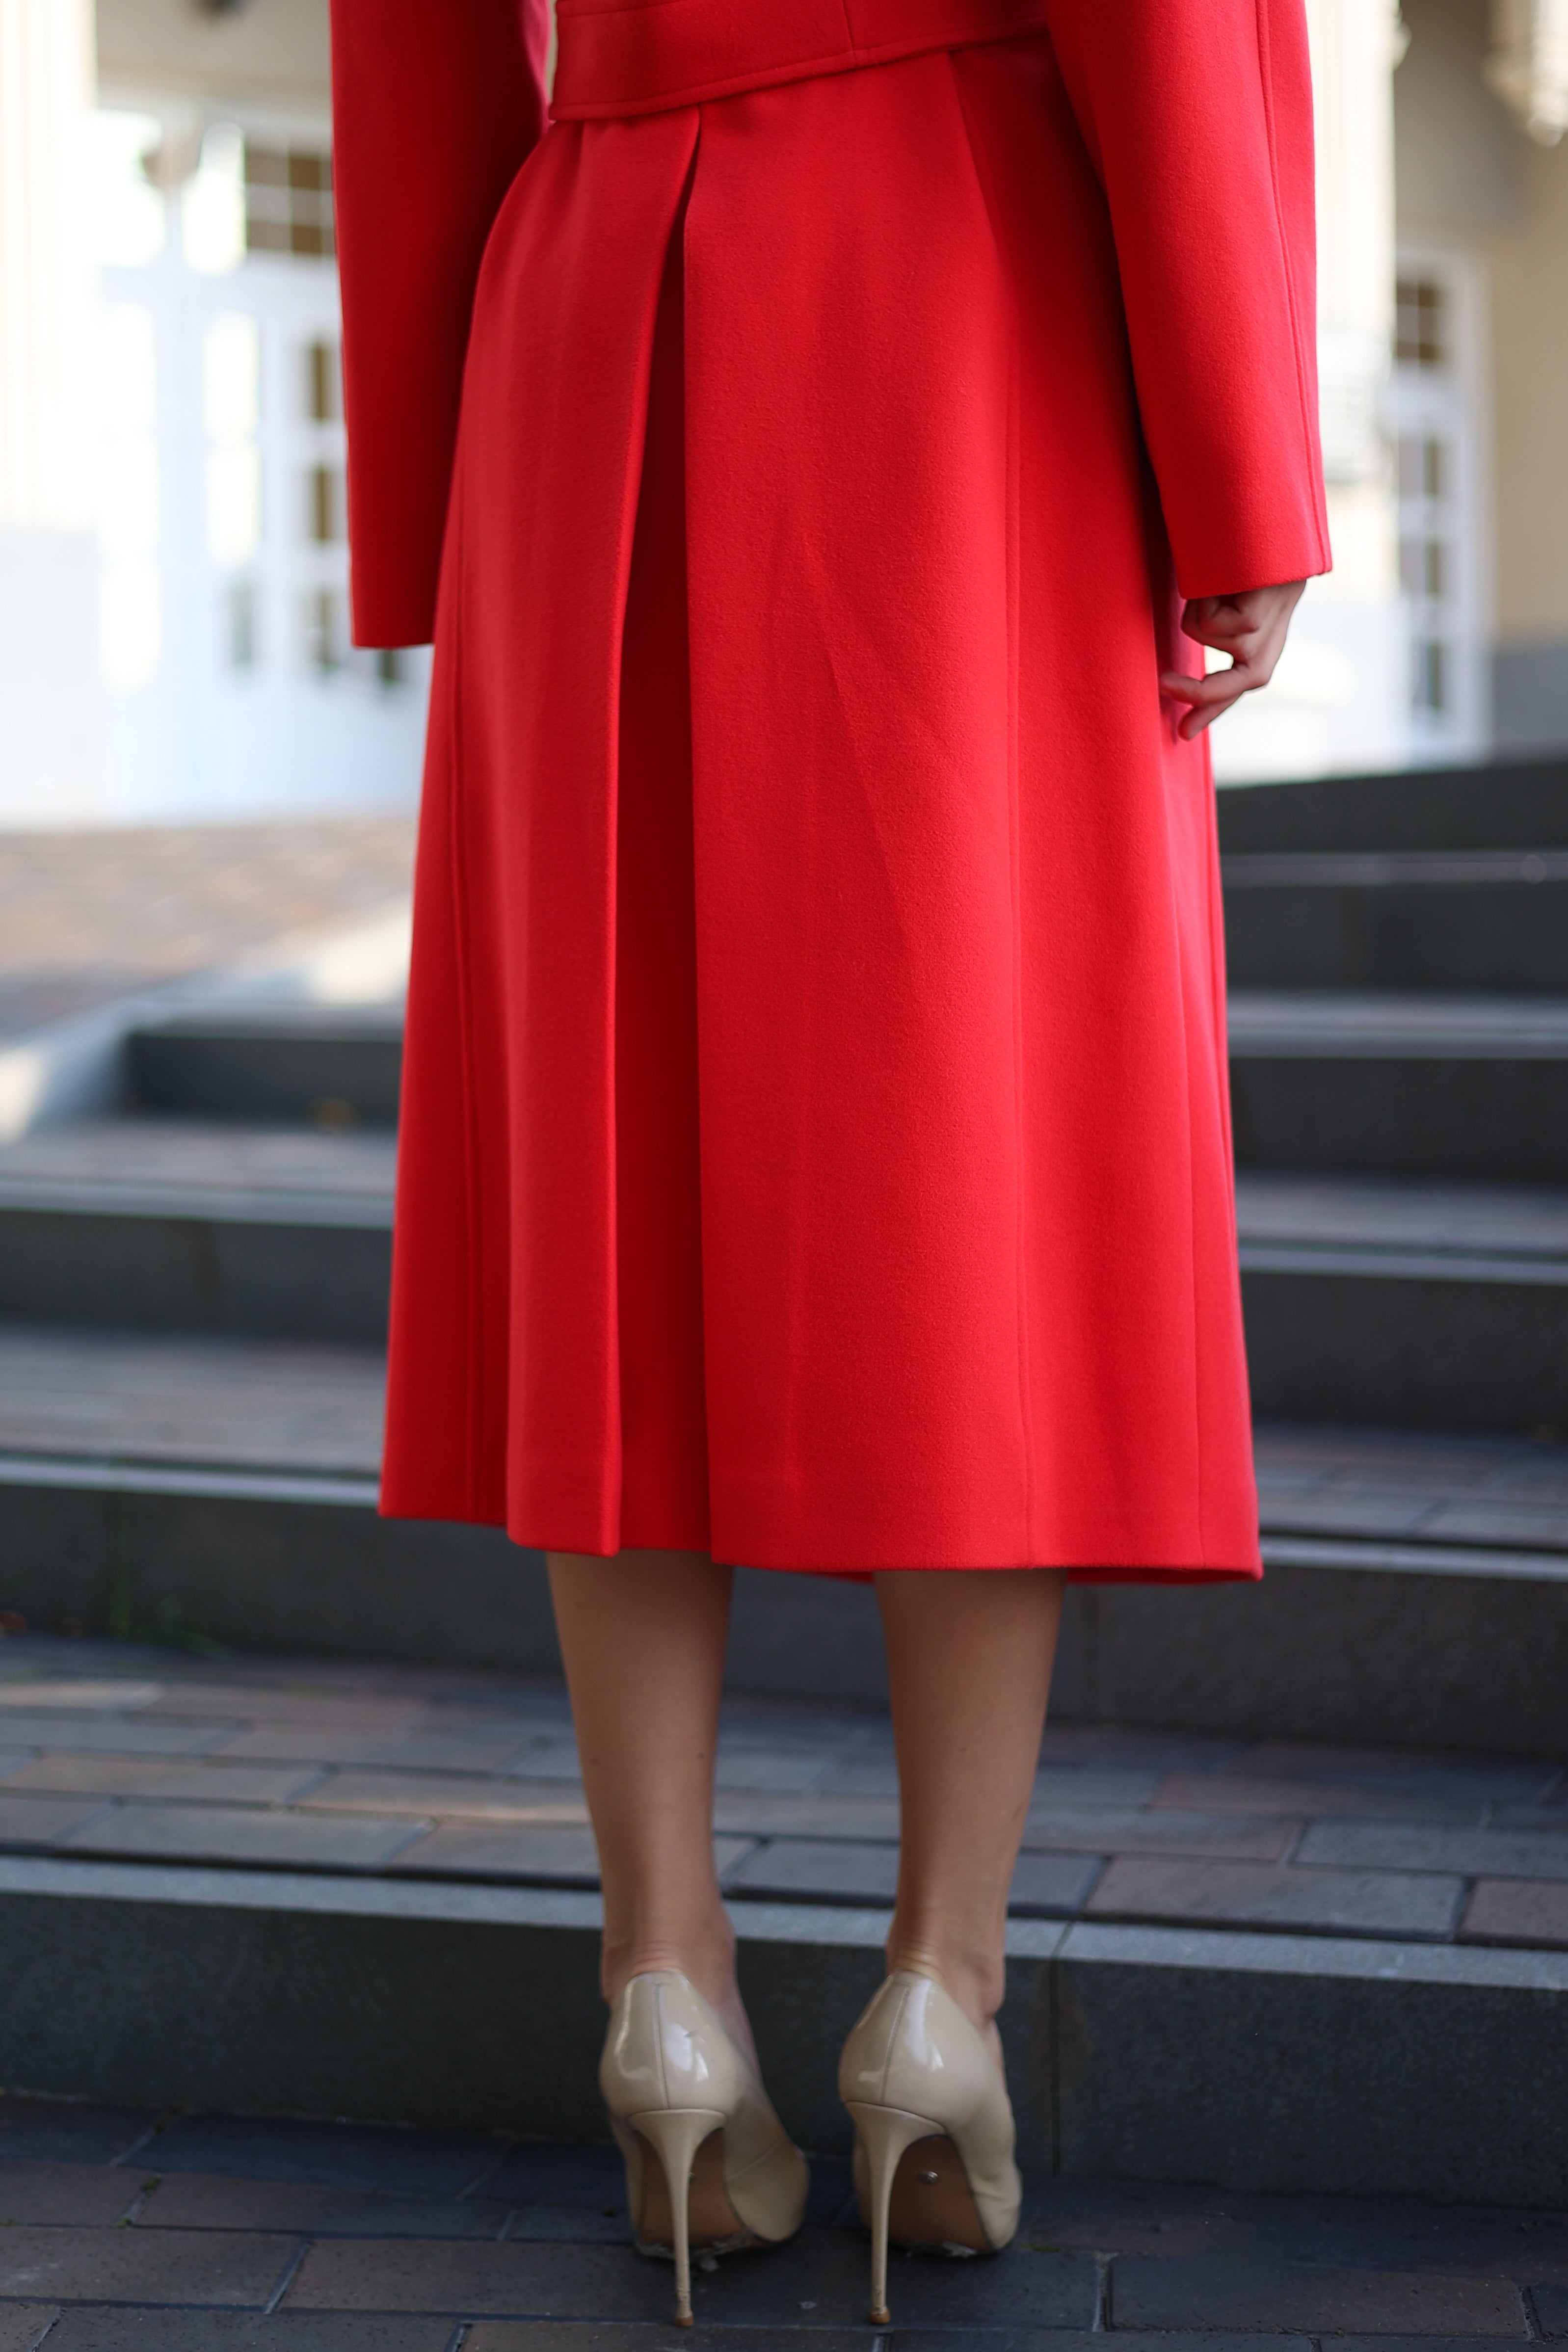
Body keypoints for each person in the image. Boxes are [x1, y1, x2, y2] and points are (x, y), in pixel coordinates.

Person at [329, 0, 1327, 2326]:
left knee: (613, 1180)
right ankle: (937, 1998)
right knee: (970, 1156)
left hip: (579, 299)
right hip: (959, 285)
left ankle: (662, 1985)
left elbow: (403, 48)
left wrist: (433, 500)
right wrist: (1239, 462)